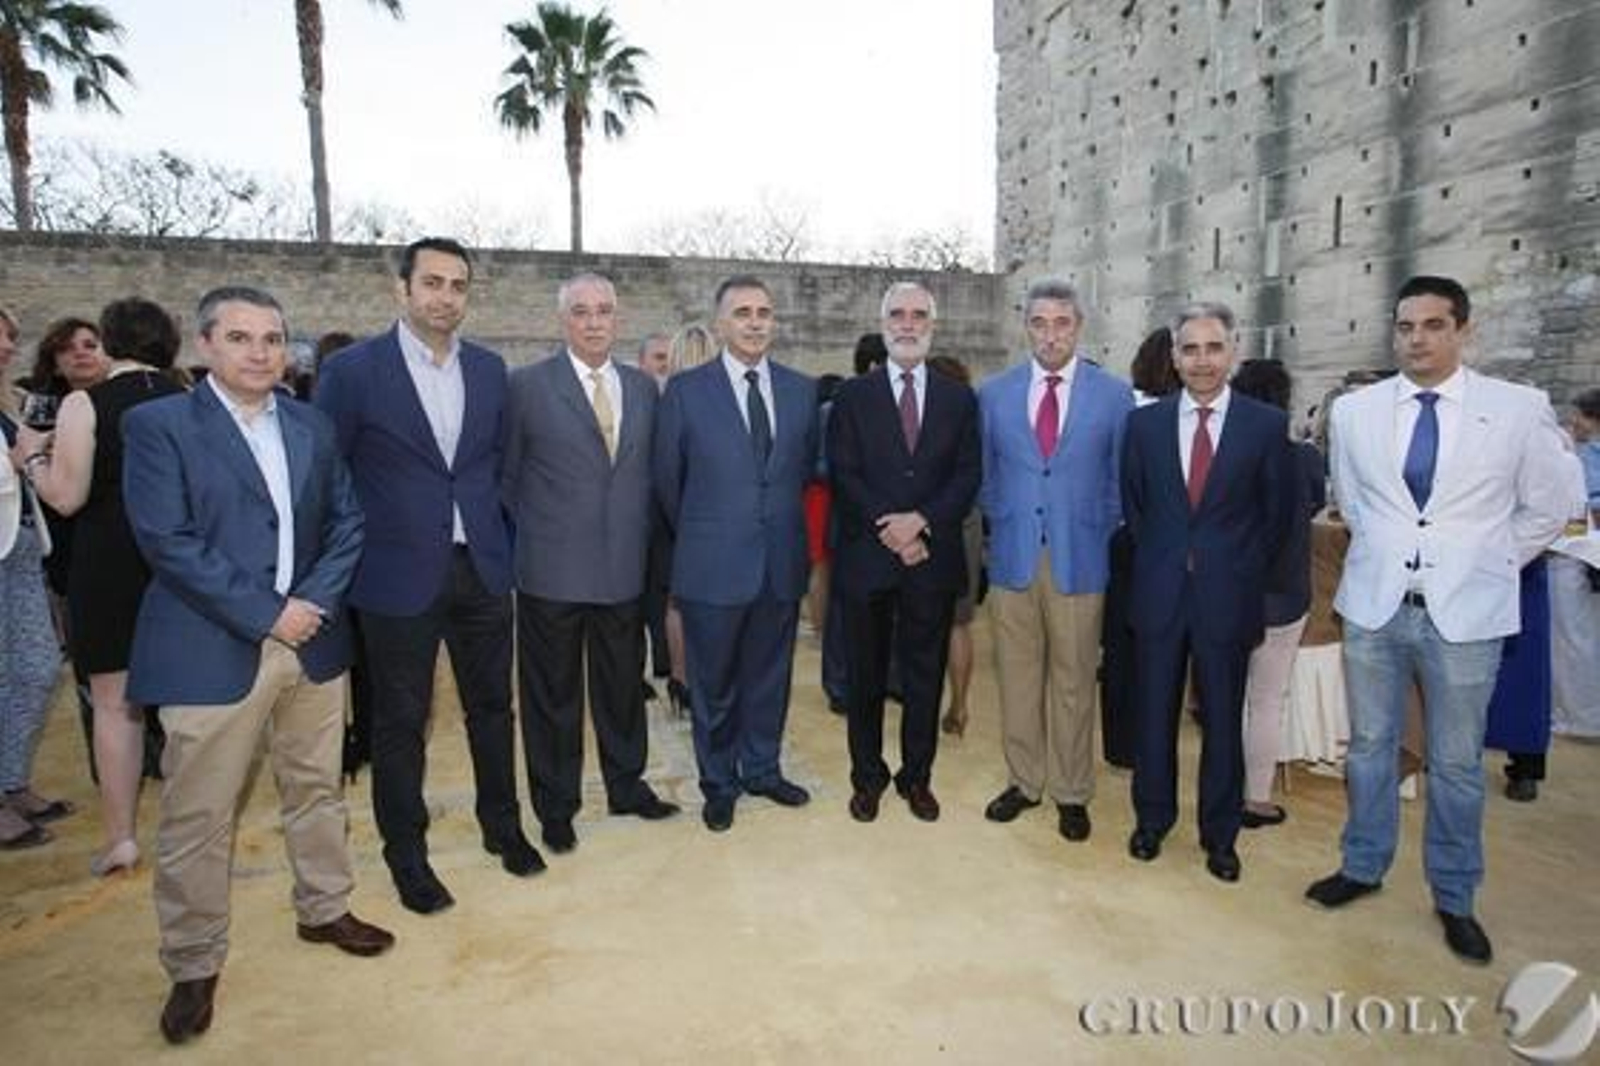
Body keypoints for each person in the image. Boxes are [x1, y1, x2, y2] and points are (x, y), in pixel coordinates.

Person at [119, 286, 393, 1044]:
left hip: (313, 643)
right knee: (199, 816)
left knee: (316, 789)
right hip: (211, 647)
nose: (261, 353)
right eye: (241, 338)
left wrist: (308, 603)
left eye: (273, 339)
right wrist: (266, 612)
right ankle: (193, 962)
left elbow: (348, 521)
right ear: (204, 345)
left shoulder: (312, 424)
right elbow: (167, 540)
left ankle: (325, 907)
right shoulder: (158, 426)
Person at [1305, 275, 1571, 965]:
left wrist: (1486, 561)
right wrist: (1392, 554)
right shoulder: (1356, 413)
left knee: (1455, 764)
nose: (1416, 339)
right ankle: (1362, 866)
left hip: (1467, 614)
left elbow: (1549, 505)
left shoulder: (1517, 409)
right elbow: (1355, 500)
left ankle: (1455, 895)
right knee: (1369, 748)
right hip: (1374, 607)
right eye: (1405, 327)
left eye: (1432, 325)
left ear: (1463, 331)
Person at [315, 237, 540, 915]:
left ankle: (503, 827)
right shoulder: (354, 371)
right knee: (399, 723)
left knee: (493, 709)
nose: (445, 297)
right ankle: (407, 856)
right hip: (394, 576)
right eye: (433, 283)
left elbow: (501, 461)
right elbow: (329, 472)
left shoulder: (490, 368)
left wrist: (496, 529)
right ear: (402, 290)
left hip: (482, 570)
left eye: (458, 285)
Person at [503, 274, 680, 855]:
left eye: (604, 310)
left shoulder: (643, 387)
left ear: (617, 318)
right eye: (581, 312)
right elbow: (506, 480)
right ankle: (557, 808)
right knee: (552, 698)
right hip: (551, 572)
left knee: (623, 688)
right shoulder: (526, 387)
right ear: (563, 321)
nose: (594, 321)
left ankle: (627, 786)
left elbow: (649, 477)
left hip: (625, 568)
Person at [1120, 301, 1291, 884]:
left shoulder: (1264, 427)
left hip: (1228, 598)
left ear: (1233, 352)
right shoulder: (1143, 425)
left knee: (1222, 721)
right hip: (1160, 593)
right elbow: (1136, 508)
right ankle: (1152, 820)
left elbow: (1277, 519)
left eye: (1213, 347)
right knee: (1153, 717)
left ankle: (1221, 836)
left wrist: (1229, 570)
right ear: (1173, 356)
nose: (1202, 360)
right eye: (1189, 348)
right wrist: (1173, 561)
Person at [15, 297, 186, 877]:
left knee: (116, 708)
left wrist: (30, 460)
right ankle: (193, 827)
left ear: (109, 343)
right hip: (180, 566)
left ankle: (121, 839)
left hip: (108, 564)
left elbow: (66, 495)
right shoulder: (190, 401)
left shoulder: (85, 403)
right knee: (189, 705)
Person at [653, 274, 818, 832]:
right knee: (714, 683)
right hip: (711, 565)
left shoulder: (800, 390)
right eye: (742, 312)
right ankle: (718, 782)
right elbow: (668, 482)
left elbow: (800, 473)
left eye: (764, 312)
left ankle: (764, 770)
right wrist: (709, 532)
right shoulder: (686, 391)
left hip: (780, 562)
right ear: (721, 323)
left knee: (770, 677)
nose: (754, 322)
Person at [977, 278, 1132, 840]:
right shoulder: (994, 394)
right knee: (1016, 678)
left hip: (1081, 556)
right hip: (1014, 556)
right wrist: (1009, 517)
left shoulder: (1114, 396)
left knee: (1073, 681)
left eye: (1061, 322)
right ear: (1026, 327)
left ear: (1079, 327)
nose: (1050, 334)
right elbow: (986, 475)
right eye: (1039, 323)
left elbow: (1121, 480)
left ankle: (1071, 790)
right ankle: (1024, 782)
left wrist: (1096, 523)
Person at [827, 281, 980, 824]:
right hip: (868, 558)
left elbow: (967, 475)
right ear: (883, 322)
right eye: (898, 314)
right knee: (865, 679)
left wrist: (921, 524)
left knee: (923, 676)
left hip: (931, 562)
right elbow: (843, 473)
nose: (908, 324)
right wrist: (890, 528)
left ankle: (917, 778)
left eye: (919, 315)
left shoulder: (959, 399)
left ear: (933, 326)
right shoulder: (852, 397)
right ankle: (867, 778)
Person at [1228, 358, 1325, 829]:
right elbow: (1318, 506)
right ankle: (1256, 797)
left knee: (1226, 699)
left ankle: (1220, 787)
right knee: (1268, 699)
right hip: (1285, 596)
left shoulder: (1223, 456)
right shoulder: (1304, 458)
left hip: (1228, 595)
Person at [2, 307, 72, 847]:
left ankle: (11, 780)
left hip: (22, 548)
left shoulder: (11, 405)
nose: (6, 347)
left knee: (37, 668)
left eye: (10, 337)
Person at [1100, 326, 1181, 770]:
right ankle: (1153, 741)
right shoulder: (1175, 416)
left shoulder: (1124, 406)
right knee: (1162, 648)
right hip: (1167, 545)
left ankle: (1120, 744)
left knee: (1120, 648)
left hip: (1124, 540)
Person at [1551, 389, 1600, 739]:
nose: (1574, 423)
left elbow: (1581, 511)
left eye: (1579, 416)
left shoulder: (1582, 459)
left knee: (1574, 639)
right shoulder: (1580, 456)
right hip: (1584, 553)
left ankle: (1580, 717)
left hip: (1575, 555)